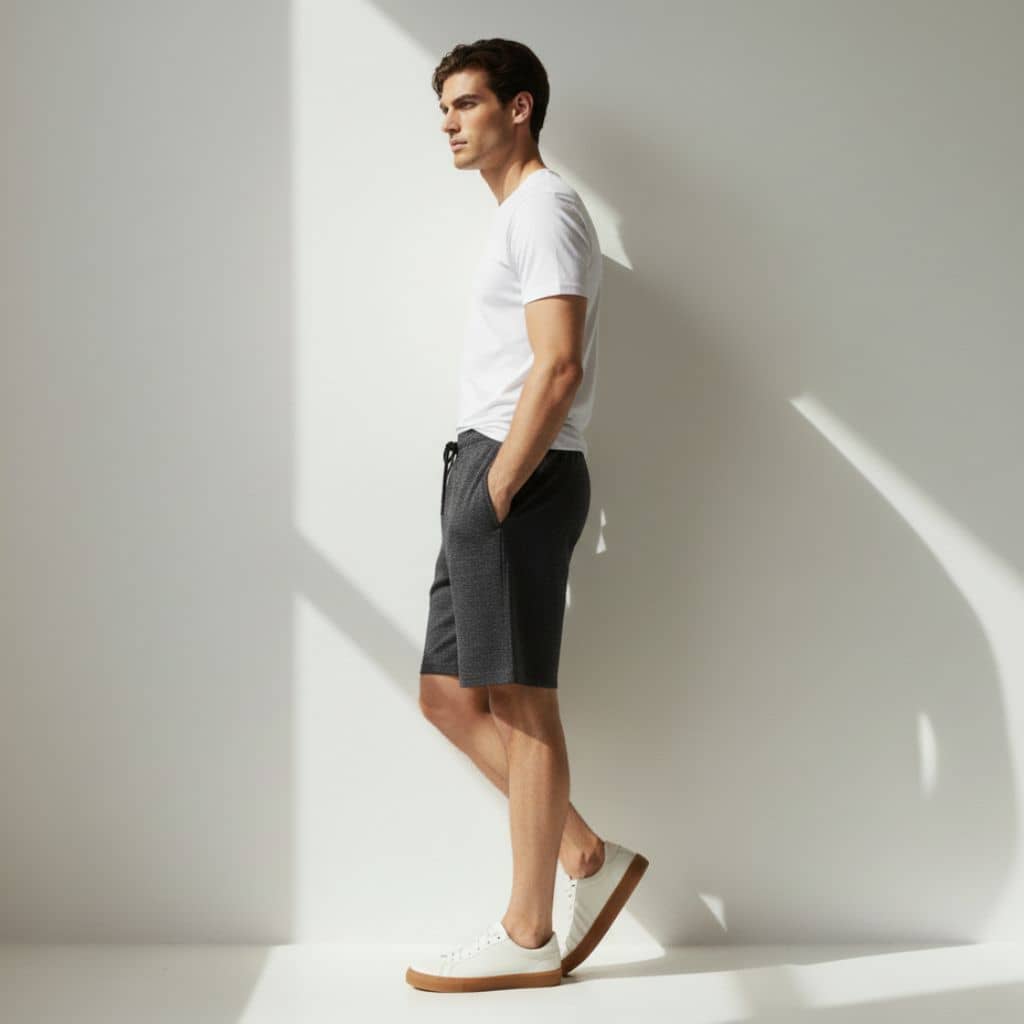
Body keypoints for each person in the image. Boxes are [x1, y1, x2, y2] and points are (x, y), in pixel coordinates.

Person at [406, 39, 648, 994]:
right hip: (485, 466)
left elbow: (558, 364)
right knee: (447, 692)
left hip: (515, 469)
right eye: (443, 109)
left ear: (520, 107)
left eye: (466, 103)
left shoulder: (545, 207)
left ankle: (529, 930)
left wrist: (501, 483)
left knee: (519, 699)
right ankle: (585, 855)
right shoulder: (519, 214)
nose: (449, 124)